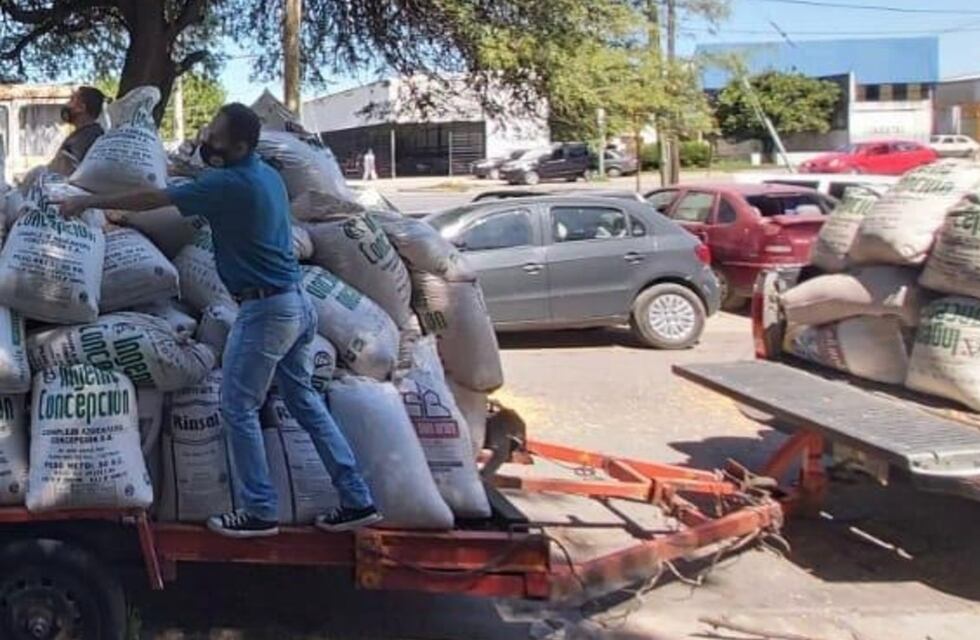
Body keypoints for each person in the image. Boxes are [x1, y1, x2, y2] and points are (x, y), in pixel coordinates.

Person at [58, 103, 382, 538]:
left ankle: (259, 511)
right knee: (303, 401)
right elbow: (197, 182)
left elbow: (153, 198)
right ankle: (357, 499)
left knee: (237, 407)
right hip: (296, 305)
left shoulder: (228, 185)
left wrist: (88, 201)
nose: (207, 139)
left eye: (217, 135)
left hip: (264, 311)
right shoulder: (263, 174)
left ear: (241, 145)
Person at [49, 86, 106, 176]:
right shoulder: (85, 134)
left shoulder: (88, 137)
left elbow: (70, 173)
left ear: (81, 108)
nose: (67, 104)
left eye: (72, 100)